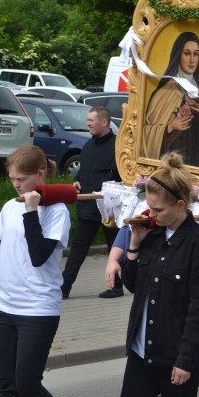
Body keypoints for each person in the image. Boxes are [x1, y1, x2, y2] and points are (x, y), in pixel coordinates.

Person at [116, 152, 199, 397]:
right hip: (142, 351)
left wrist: (186, 360)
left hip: (176, 355)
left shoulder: (198, 244)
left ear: (180, 205)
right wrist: (134, 245)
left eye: (158, 209)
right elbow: (133, 286)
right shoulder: (152, 234)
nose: (151, 214)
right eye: (149, 206)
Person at [0, 145, 74, 397]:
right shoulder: (9, 206)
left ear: (40, 175)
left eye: (22, 179)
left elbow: (38, 256)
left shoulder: (57, 212)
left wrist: (31, 211)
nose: (16, 185)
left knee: (26, 384)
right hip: (5, 306)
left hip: (38, 309)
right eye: (13, 178)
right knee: (7, 387)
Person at [61, 105, 122, 299]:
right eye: (87, 120)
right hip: (87, 206)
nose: (88, 123)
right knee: (78, 248)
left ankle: (117, 287)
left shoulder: (118, 146)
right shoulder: (88, 146)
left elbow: (124, 177)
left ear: (104, 122)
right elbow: (82, 171)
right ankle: (64, 287)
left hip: (109, 208)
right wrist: (76, 180)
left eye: (91, 120)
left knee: (116, 248)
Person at [143, 31, 199, 168]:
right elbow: (146, 132)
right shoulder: (165, 92)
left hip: (194, 163)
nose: (192, 60)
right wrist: (170, 126)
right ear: (178, 55)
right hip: (171, 164)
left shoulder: (198, 93)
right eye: (187, 53)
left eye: (196, 54)